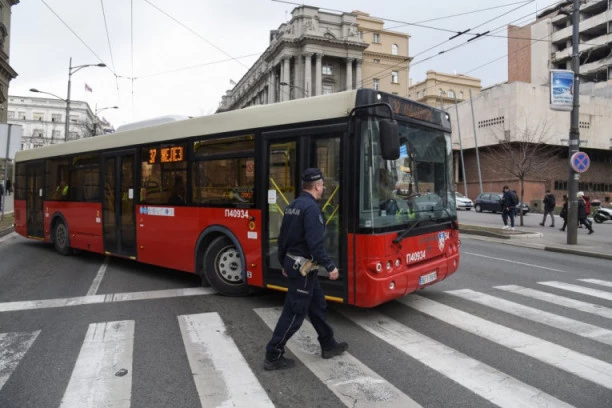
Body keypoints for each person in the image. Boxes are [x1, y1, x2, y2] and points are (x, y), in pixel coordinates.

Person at [264, 168, 348, 371]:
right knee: (294, 313)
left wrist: (283, 261)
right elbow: (315, 244)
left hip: (299, 266)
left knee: (318, 305)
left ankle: (328, 344)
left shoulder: (293, 205)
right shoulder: (311, 209)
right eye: (322, 186)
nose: (324, 188)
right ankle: (273, 354)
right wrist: (330, 265)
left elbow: (282, 237)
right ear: (317, 186)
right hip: (302, 267)